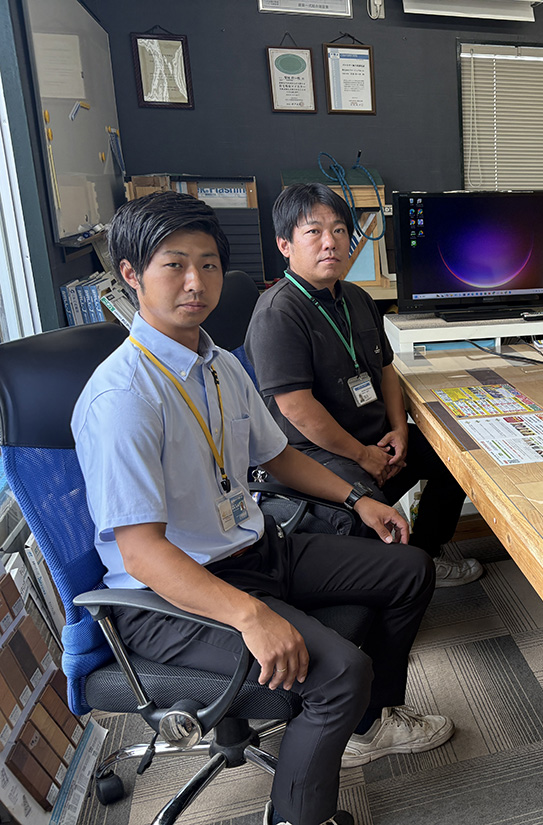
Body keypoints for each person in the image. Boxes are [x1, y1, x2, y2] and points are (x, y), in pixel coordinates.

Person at [72, 192, 454, 825]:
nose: (196, 282)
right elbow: (141, 552)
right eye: (175, 265)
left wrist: (359, 498)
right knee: (338, 674)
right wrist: (249, 616)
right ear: (132, 275)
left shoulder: (219, 365)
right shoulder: (122, 398)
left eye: (210, 264)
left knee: (409, 567)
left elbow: (277, 458)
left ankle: (365, 727)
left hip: (255, 547)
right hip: (174, 594)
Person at [245, 184, 481, 587]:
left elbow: (387, 370)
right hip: (316, 453)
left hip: (375, 438)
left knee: (455, 457)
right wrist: (364, 456)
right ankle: (400, 581)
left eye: (339, 231)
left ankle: (428, 554)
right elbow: (297, 409)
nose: (330, 243)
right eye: (313, 232)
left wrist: (400, 430)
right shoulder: (277, 314)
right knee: (370, 508)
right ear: (285, 244)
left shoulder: (355, 297)